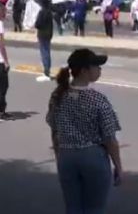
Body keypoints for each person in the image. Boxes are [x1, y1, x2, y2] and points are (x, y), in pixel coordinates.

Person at [47, 49, 122, 214]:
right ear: (84, 71)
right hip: (93, 157)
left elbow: (54, 129)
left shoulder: (58, 95)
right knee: (94, 208)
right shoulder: (98, 99)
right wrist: (118, 165)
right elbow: (110, 138)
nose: (99, 70)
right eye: (96, 66)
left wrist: (60, 155)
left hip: (66, 156)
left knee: (72, 208)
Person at [35, 0, 54, 83]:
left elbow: (38, 24)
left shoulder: (42, 12)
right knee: (47, 52)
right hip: (49, 34)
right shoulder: (49, 11)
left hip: (42, 34)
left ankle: (46, 73)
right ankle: (47, 71)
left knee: (44, 53)